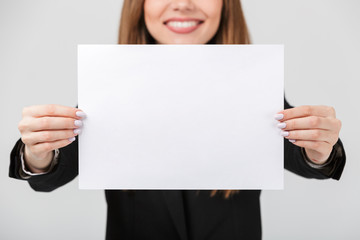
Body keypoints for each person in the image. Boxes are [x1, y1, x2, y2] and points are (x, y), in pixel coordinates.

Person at [9, 0, 346, 239]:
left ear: (226, 5)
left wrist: (319, 151)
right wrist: (37, 155)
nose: (183, 3)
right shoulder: (111, 84)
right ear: (139, 5)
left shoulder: (252, 82)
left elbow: (298, 155)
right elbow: (52, 174)